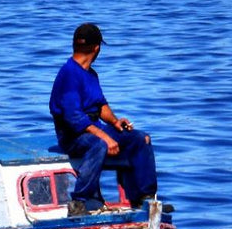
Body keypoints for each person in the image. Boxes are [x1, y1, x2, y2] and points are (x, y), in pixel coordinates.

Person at [49, 23, 158, 216]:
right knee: (99, 144)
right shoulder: (68, 74)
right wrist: (106, 138)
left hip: (93, 128)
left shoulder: (91, 75)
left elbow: (100, 106)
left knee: (141, 139)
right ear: (97, 47)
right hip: (72, 136)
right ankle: (79, 202)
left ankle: (145, 199)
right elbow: (73, 118)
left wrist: (115, 123)